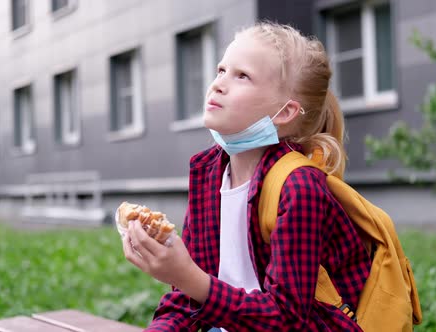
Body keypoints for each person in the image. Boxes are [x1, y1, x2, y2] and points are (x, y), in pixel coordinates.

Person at [122, 21, 371, 331]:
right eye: (221, 70)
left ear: (284, 112)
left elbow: (287, 319)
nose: (218, 84)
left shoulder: (299, 187)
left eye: (242, 76)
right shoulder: (208, 175)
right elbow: (186, 302)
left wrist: (187, 276)